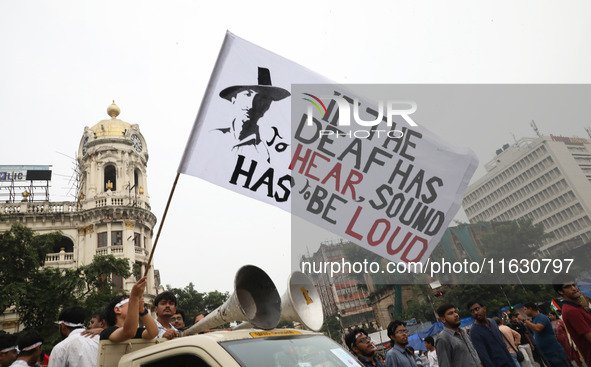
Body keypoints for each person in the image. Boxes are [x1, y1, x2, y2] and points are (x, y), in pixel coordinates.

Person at [215, 67, 291, 162]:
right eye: (247, 94)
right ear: (234, 99)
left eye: (261, 98)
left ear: (267, 105)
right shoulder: (213, 137)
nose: (251, 104)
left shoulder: (263, 155)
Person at [100, 276, 158, 342]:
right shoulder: (108, 332)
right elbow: (128, 332)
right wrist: (134, 296)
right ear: (117, 310)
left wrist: (142, 310)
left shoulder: (136, 332)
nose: (134, 305)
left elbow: (153, 333)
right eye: (130, 303)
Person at [467, 300, 515, 367]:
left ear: (484, 309)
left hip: (509, 362)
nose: (475, 312)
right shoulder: (474, 332)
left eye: (477, 309)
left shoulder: (492, 322)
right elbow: (484, 357)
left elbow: (502, 343)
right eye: (472, 311)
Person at [554, 280, 591, 365]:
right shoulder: (571, 311)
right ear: (560, 291)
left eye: (574, 285)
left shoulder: (577, 307)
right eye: (568, 287)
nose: (574, 288)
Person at [523, 302, 570, 367]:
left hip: (553, 351)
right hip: (546, 352)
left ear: (530, 309)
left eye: (525, 309)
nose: (524, 312)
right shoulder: (534, 320)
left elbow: (538, 328)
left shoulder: (541, 317)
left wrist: (524, 320)